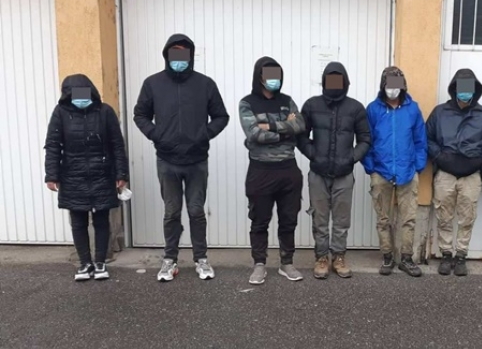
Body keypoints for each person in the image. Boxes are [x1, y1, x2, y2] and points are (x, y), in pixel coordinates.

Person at [134, 34, 229, 282]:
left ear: (190, 56)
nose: (179, 57)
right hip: (167, 160)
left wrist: (204, 134)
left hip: (197, 160)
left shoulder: (205, 84)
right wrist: (156, 134)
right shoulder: (152, 84)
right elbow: (140, 115)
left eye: (183, 52)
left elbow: (221, 116)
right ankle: (170, 260)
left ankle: (201, 259)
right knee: (171, 212)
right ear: (167, 55)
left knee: (196, 211)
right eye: (174, 52)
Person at [44, 74, 128, 282]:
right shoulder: (60, 113)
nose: (81, 98)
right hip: (72, 176)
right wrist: (51, 175)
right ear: (68, 95)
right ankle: (84, 263)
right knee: (78, 221)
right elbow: (53, 145)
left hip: (102, 174)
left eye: (84, 92)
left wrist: (121, 174)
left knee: (102, 220)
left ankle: (100, 262)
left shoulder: (105, 112)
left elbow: (117, 145)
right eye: (75, 94)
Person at [298, 62, 371, 279]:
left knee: (341, 220)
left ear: (346, 82)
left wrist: (351, 158)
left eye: (339, 80)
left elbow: (365, 139)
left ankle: (339, 256)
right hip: (318, 174)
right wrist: (313, 154)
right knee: (320, 219)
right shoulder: (311, 105)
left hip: (344, 175)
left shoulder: (356, 108)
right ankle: (321, 257)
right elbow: (300, 135)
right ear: (324, 81)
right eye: (330, 79)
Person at [240, 57, 307, 285]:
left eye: (277, 75)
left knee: (289, 219)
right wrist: (285, 131)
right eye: (269, 75)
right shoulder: (247, 103)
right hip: (261, 171)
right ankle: (259, 264)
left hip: (288, 170)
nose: (273, 79)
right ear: (259, 76)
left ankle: (286, 263)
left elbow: (300, 125)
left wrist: (269, 126)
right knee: (259, 220)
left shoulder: (287, 101)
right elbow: (254, 134)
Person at [427, 69, 482, 277]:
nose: (465, 92)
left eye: (469, 88)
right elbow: (427, 138)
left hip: (471, 174)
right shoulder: (440, 112)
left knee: (467, 217)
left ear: (475, 90)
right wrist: (440, 157)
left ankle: (461, 256)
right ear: (454, 89)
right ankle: (446, 255)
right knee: (444, 216)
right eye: (462, 88)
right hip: (445, 173)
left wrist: (481, 160)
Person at [363, 66, 428, 277]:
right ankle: (387, 257)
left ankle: (407, 258)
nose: (393, 89)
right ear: (383, 85)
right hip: (381, 172)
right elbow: (366, 139)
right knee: (383, 219)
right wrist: (371, 167)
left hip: (407, 171)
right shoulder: (373, 109)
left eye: (396, 84)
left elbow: (420, 141)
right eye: (389, 84)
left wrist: (418, 166)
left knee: (408, 218)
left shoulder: (412, 109)